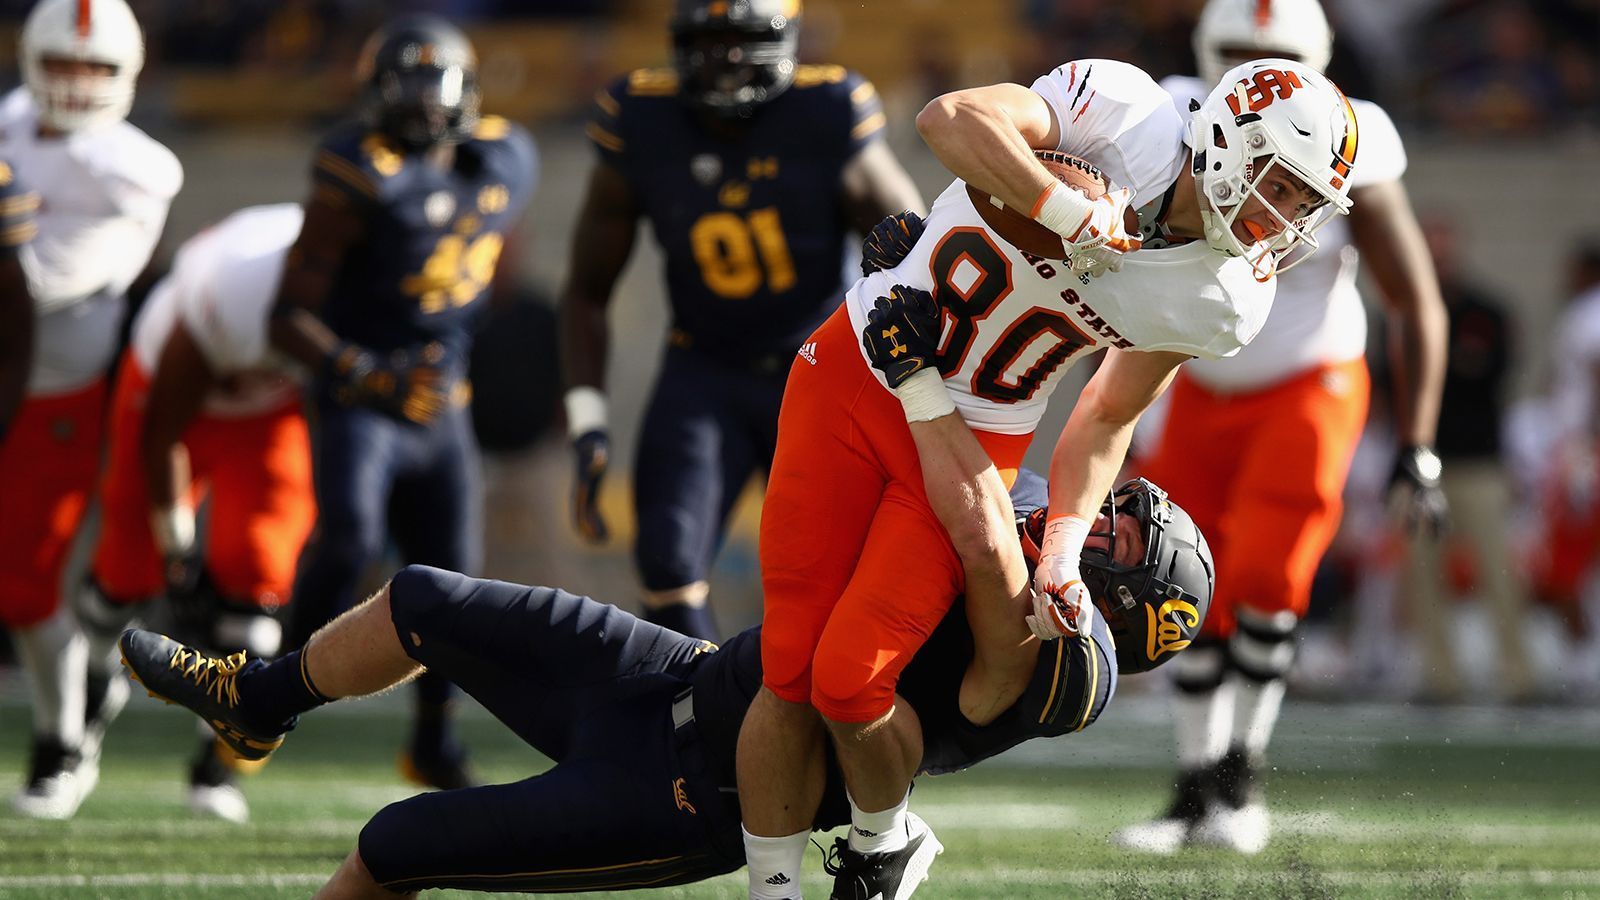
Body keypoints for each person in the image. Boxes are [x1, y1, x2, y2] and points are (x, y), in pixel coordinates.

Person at [736, 53, 1359, 898]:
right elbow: (948, 118)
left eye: (1304, 206)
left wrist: (1062, 552)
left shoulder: (1224, 296)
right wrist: (1066, 211)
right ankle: (769, 890)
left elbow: (1107, 413)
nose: (1283, 221)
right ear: (1230, 140)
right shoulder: (1131, 115)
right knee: (788, 662)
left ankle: (882, 846)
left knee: (850, 680)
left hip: (978, 433)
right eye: (1281, 188)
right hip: (859, 366)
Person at [116, 426, 1213, 898]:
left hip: (695, 793)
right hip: (680, 672)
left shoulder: (1064, 670)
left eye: (1112, 537)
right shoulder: (1036, 525)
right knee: (422, 600)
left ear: (1122, 603)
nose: (1089, 519)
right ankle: (255, 701)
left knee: (395, 846)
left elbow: (988, 572)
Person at [1111, 0, 1450, 856]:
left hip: (1308, 376)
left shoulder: (1348, 135)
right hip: (1190, 375)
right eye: (1240, 55)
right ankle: (1193, 792)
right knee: (1178, 584)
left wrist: (1419, 441)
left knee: (1268, 571)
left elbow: (1414, 298)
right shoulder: (1174, 116)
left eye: (1278, 56)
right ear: (1206, 55)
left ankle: (1238, 779)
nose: (1261, 76)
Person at [558, 0, 923, 642]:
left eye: (744, 37)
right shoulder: (642, 117)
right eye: (708, 39)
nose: (726, 57)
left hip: (816, 364)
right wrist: (588, 424)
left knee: (841, 570)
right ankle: (704, 719)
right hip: (705, 366)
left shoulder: (825, 109)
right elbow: (586, 290)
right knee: (666, 561)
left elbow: (913, 257)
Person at [267, 15, 536, 790]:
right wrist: (370, 373)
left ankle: (433, 739)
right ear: (375, 95)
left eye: (438, 84)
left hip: (443, 400)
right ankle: (269, 696)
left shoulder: (507, 157)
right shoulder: (356, 172)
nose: (423, 103)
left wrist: (439, 362)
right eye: (406, 85)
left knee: (453, 582)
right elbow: (286, 318)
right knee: (349, 539)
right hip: (363, 392)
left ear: (468, 93)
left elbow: (481, 256)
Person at [72, 204, 315, 823]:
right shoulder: (229, 293)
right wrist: (178, 550)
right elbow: (162, 438)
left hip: (266, 415)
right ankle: (81, 721)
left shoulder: (370, 287)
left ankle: (219, 759)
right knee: (126, 572)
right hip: (167, 403)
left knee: (259, 574)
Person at [0, 0, 182, 820]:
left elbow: (40, 288)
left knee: (27, 580)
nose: (76, 84)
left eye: (95, 68)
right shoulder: (9, 125)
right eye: (64, 65)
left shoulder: (136, 169)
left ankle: (58, 736)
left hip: (58, 392)